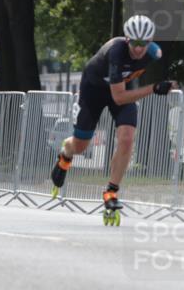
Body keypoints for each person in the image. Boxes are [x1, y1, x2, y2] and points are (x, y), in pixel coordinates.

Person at [50, 15, 174, 221]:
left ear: (150, 41)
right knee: (80, 146)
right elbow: (119, 97)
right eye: (134, 42)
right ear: (127, 39)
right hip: (94, 91)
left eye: (144, 43)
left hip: (122, 87)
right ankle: (66, 153)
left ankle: (111, 191)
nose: (138, 48)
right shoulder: (115, 52)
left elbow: (124, 93)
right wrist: (153, 88)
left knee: (126, 139)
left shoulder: (155, 53)